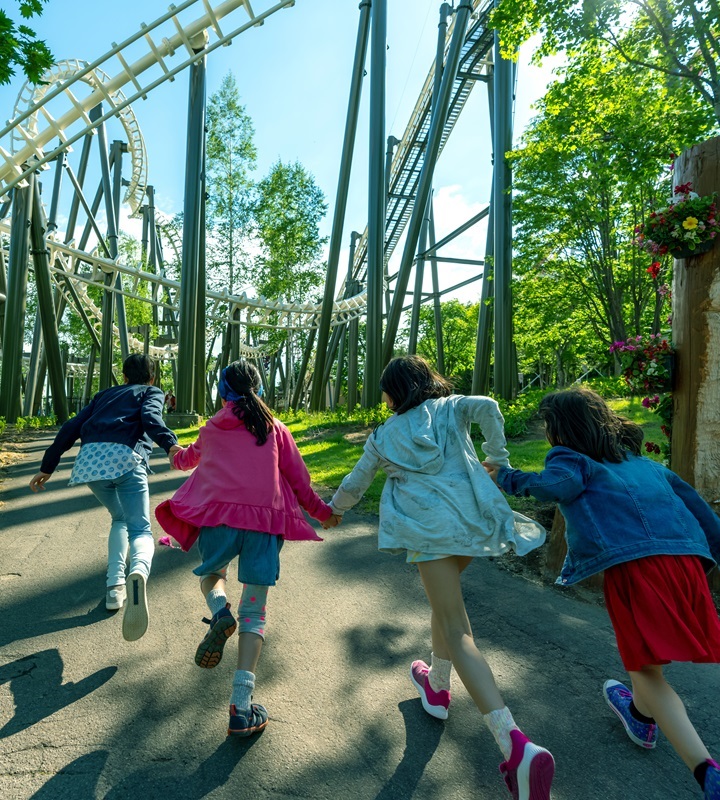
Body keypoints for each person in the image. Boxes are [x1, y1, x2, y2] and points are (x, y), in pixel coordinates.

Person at [328, 355, 555, 799]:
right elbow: (489, 405)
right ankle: (436, 684)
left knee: (457, 627)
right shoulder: (452, 407)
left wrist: (335, 509)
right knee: (445, 608)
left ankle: (515, 745)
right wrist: (497, 458)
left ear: (393, 393)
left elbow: (357, 482)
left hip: (429, 534)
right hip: (471, 525)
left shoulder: (382, 436)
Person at [484, 386, 720, 800]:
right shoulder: (647, 465)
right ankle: (639, 716)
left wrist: (504, 476)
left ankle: (707, 772)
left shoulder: (570, 459)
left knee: (647, 671)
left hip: (637, 567)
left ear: (561, 430)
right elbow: (703, 513)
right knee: (642, 660)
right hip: (688, 564)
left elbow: (556, 488)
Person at [155, 358, 335, 737]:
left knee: (211, 575)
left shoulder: (212, 428)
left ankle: (219, 611)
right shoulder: (275, 428)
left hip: (219, 518)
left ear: (222, 393)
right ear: (259, 390)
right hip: (264, 522)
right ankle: (241, 706)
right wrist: (322, 513)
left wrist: (173, 453)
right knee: (254, 613)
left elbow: (187, 460)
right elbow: (299, 480)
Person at [29, 354, 181, 641]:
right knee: (140, 527)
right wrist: (170, 444)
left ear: (123, 377)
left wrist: (47, 466)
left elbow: (71, 427)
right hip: (125, 459)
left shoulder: (104, 395)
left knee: (119, 519)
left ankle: (115, 589)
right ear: (152, 378)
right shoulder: (152, 392)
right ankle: (137, 571)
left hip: (90, 464)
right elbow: (150, 418)